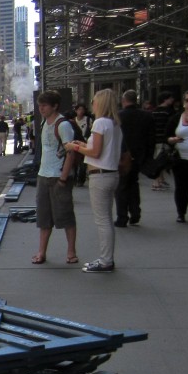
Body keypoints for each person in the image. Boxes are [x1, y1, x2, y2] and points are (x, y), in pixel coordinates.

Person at [69, 88, 122, 272]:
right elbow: (99, 149)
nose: (92, 105)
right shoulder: (114, 124)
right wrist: (84, 145)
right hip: (111, 173)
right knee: (106, 219)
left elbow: (95, 152)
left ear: (100, 103)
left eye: (94, 101)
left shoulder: (100, 123)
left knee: (102, 220)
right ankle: (107, 259)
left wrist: (75, 148)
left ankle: (105, 260)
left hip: (100, 175)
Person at [32, 90, 78, 266]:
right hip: (43, 176)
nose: (41, 108)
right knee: (44, 218)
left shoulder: (63, 125)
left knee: (66, 215)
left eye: (44, 105)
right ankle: (41, 252)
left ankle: (71, 252)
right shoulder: (45, 122)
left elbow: (71, 153)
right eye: (40, 105)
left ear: (55, 106)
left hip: (58, 177)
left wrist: (63, 179)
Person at [114, 89, 155, 227]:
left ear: (124, 100)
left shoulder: (118, 116)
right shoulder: (147, 116)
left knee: (122, 186)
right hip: (140, 155)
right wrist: (148, 155)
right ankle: (135, 212)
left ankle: (122, 216)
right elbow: (151, 138)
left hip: (122, 154)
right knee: (133, 183)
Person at [165, 89, 188, 223]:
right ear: (183, 102)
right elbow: (166, 136)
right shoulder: (176, 118)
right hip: (181, 159)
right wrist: (172, 140)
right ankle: (181, 212)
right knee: (182, 187)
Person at [149, 91, 176, 191]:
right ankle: (156, 182)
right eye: (170, 98)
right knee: (161, 161)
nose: (172, 99)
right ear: (165, 99)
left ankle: (160, 179)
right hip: (164, 140)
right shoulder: (169, 112)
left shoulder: (154, 112)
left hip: (155, 139)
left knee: (158, 159)